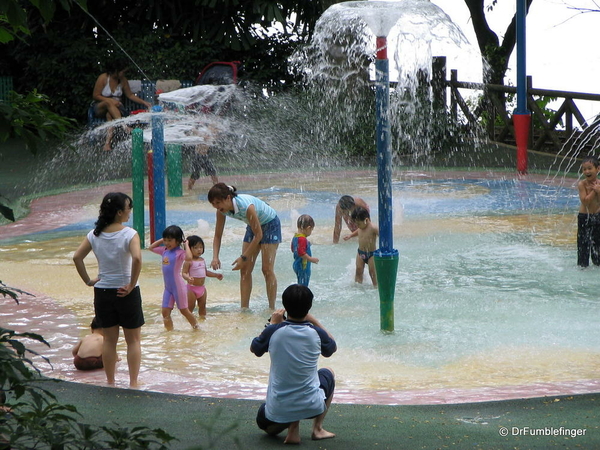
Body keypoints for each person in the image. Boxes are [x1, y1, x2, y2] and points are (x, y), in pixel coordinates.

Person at [73, 192, 144, 387]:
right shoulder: (130, 234)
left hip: (103, 292)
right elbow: (137, 259)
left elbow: (77, 258)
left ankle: (111, 382)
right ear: (120, 212)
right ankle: (133, 382)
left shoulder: (94, 234)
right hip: (126, 291)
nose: (130, 211)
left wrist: (88, 280)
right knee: (133, 341)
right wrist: (131, 284)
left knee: (110, 341)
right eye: (129, 208)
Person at [250, 284, 337, 445]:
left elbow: (255, 349)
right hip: (311, 407)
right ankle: (317, 429)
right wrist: (314, 320)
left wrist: (272, 324)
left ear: (284, 307)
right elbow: (331, 348)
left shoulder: (274, 331)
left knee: (264, 419)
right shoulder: (316, 333)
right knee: (328, 373)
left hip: (276, 413)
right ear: (309, 307)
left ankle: (292, 428)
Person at [208, 183, 281, 309]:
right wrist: (215, 257)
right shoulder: (221, 211)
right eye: (213, 204)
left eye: (218, 202)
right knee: (245, 270)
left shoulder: (246, 207)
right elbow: (217, 235)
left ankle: (271, 308)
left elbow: (259, 235)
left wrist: (244, 256)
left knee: (266, 269)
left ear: (228, 198)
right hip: (253, 226)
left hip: (270, 224)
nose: (216, 206)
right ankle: (244, 309)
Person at [92, 58, 152, 151]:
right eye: (122, 71)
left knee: (110, 115)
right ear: (116, 71)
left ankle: (107, 144)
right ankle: (124, 126)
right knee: (108, 103)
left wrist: (144, 102)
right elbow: (96, 95)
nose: (123, 74)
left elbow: (130, 95)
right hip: (101, 107)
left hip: (116, 109)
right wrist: (111, 101)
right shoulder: (103, 78)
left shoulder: (123, 80)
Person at [149, 226, 200, 330]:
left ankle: (197, 328)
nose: (167, 243)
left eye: (170, 240)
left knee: (184, 310)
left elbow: (189, 258)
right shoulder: (164, 250)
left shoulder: (180, 253)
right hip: (168, 288)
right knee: (165, 312)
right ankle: (169, 333)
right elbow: (151, 248)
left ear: (177, 241)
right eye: (165, 240)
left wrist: (186, 244)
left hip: (178, 287)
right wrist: (162, 240)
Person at [182, 235, 223, 319]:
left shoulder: (202, 260)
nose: (199, 249)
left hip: (202, 288)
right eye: (196, 248)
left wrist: (216, 275)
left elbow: (205, 272)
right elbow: (184, 273)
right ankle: (187, 321)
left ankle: (202, 320)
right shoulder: (188, 261)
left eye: (201, 247)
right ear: (189, 249)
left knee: (203, 306)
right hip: (191, 289)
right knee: (191, 306)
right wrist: (188, 278)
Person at [577, 155, 600, 267]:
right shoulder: (582, 184)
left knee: (597, 244)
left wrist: (598, 191)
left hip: (597, 216)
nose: (587, 171)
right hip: (584, 217)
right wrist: (594, 192)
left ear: (598, 169)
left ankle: (597, 265)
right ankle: (583, 266)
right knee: (583, 244)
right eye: (584, 169)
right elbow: (585, 202)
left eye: (590, 168)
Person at [351, 206, 379, 287]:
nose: (357, 225)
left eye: (358, 223)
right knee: (359, 270)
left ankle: (376, 286)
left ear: (366, 220)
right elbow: (358, 231)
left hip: (371, 254)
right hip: (360, 253)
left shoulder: (373, 228)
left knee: (372, 272)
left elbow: (382, 236)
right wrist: (350, 235)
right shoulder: (361, 227)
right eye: (356, 223)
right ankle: (357, 286)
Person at [186, 124, 219, 189]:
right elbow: (194, 130)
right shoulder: (201, 134)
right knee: (195, 175)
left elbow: (215, 136)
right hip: (198, 157)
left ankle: (217, 188)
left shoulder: (211, 135)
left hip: (205, 157)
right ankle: (189, 189)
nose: (214, 129)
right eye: (212, 127)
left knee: (213, 172)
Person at [291, 214, 319, 286]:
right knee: (304, 284)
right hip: (303, 265)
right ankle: (302, 296)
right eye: (311, 230)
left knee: (300, 282)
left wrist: (307, 244)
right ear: (308, 228)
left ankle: (300, 293)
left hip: (297, 264)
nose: (311, 232)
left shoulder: (295, 237)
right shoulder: (302, 239)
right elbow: (301, 252)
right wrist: (310, 259)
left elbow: (293, 249)